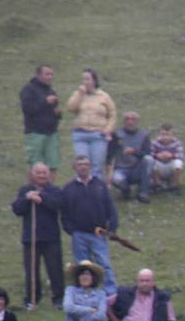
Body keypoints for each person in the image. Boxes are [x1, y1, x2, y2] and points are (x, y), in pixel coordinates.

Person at [60, 154, 119, 296]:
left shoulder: (100, 185)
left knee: (104, 263)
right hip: (79, 234)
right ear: (75, 167)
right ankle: (85, 293)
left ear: (90, 167)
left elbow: (110, 208)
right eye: (80, 164)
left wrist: (111, 228)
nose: (83, 167)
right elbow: (65, 213)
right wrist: (72, 231)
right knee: (83, 267)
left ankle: (111, 292)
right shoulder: (68, 188)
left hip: (99, 233)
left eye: (86, 164)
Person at [11, 162, 65, 310]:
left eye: (44, 173)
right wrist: (27, 199)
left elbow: (58, 205)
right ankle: (31, 299)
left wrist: (41, 198)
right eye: (38, 173)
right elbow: (16, 209)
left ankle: (58, 299)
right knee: (31, 270)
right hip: (31, 238)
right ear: (32, 175)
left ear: (49, 174)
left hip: (51, 237)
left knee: (55, 270)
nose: (41, 175)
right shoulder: (25, 190)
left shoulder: (54, 190)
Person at [66, 68, 116, 177]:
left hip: (98, 135)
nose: (85, 82)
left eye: (87, 79)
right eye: (83, 79)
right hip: (80, 134)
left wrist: (108, 129)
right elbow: (71, 108)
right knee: (81, 165)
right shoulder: (78, 94)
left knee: (97, 166)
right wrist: (80, 94)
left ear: (94, 80)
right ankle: (80, 190)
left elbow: (112, 114)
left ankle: (96, 190)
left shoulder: (104, 96)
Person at [19, 63, 62, 170]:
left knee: (52, 165)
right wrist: (45, 102)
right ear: (38, 75)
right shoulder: (29, 89)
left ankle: (50, 187)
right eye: (47, 74)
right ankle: (33, 187)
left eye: (51, 74)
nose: (50, 77)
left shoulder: (51, 91)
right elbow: (28, 109)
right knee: (35, 166)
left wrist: (58, 114)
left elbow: (54, 111)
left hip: (52, 133)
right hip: (35, 133)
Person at [110, 111, 153, 203]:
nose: (130, 122)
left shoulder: (144, 135)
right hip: (120, 168)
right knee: (116, 179)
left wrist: (134, 152)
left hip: (137, 168)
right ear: (123, 121)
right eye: (127, 119)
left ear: (137, 121)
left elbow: (148, 152)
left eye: (133, 119)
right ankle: (125, 191)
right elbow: (110, 153)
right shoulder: (116, 135)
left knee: (149, 160)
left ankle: (143, 192)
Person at [149, 123, 185, 194]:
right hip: (159, 167)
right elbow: (149, 153)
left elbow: (181, 155)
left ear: (172, 135)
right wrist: (157, 155)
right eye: (163, 134)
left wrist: (171, 156)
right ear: (159, 134)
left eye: (168, 134)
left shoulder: (177, 143)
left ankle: (174, 185)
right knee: (150, 161)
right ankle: (157, 184)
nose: (165, 137)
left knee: (179, 163)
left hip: (170, 165)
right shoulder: (154, 143)